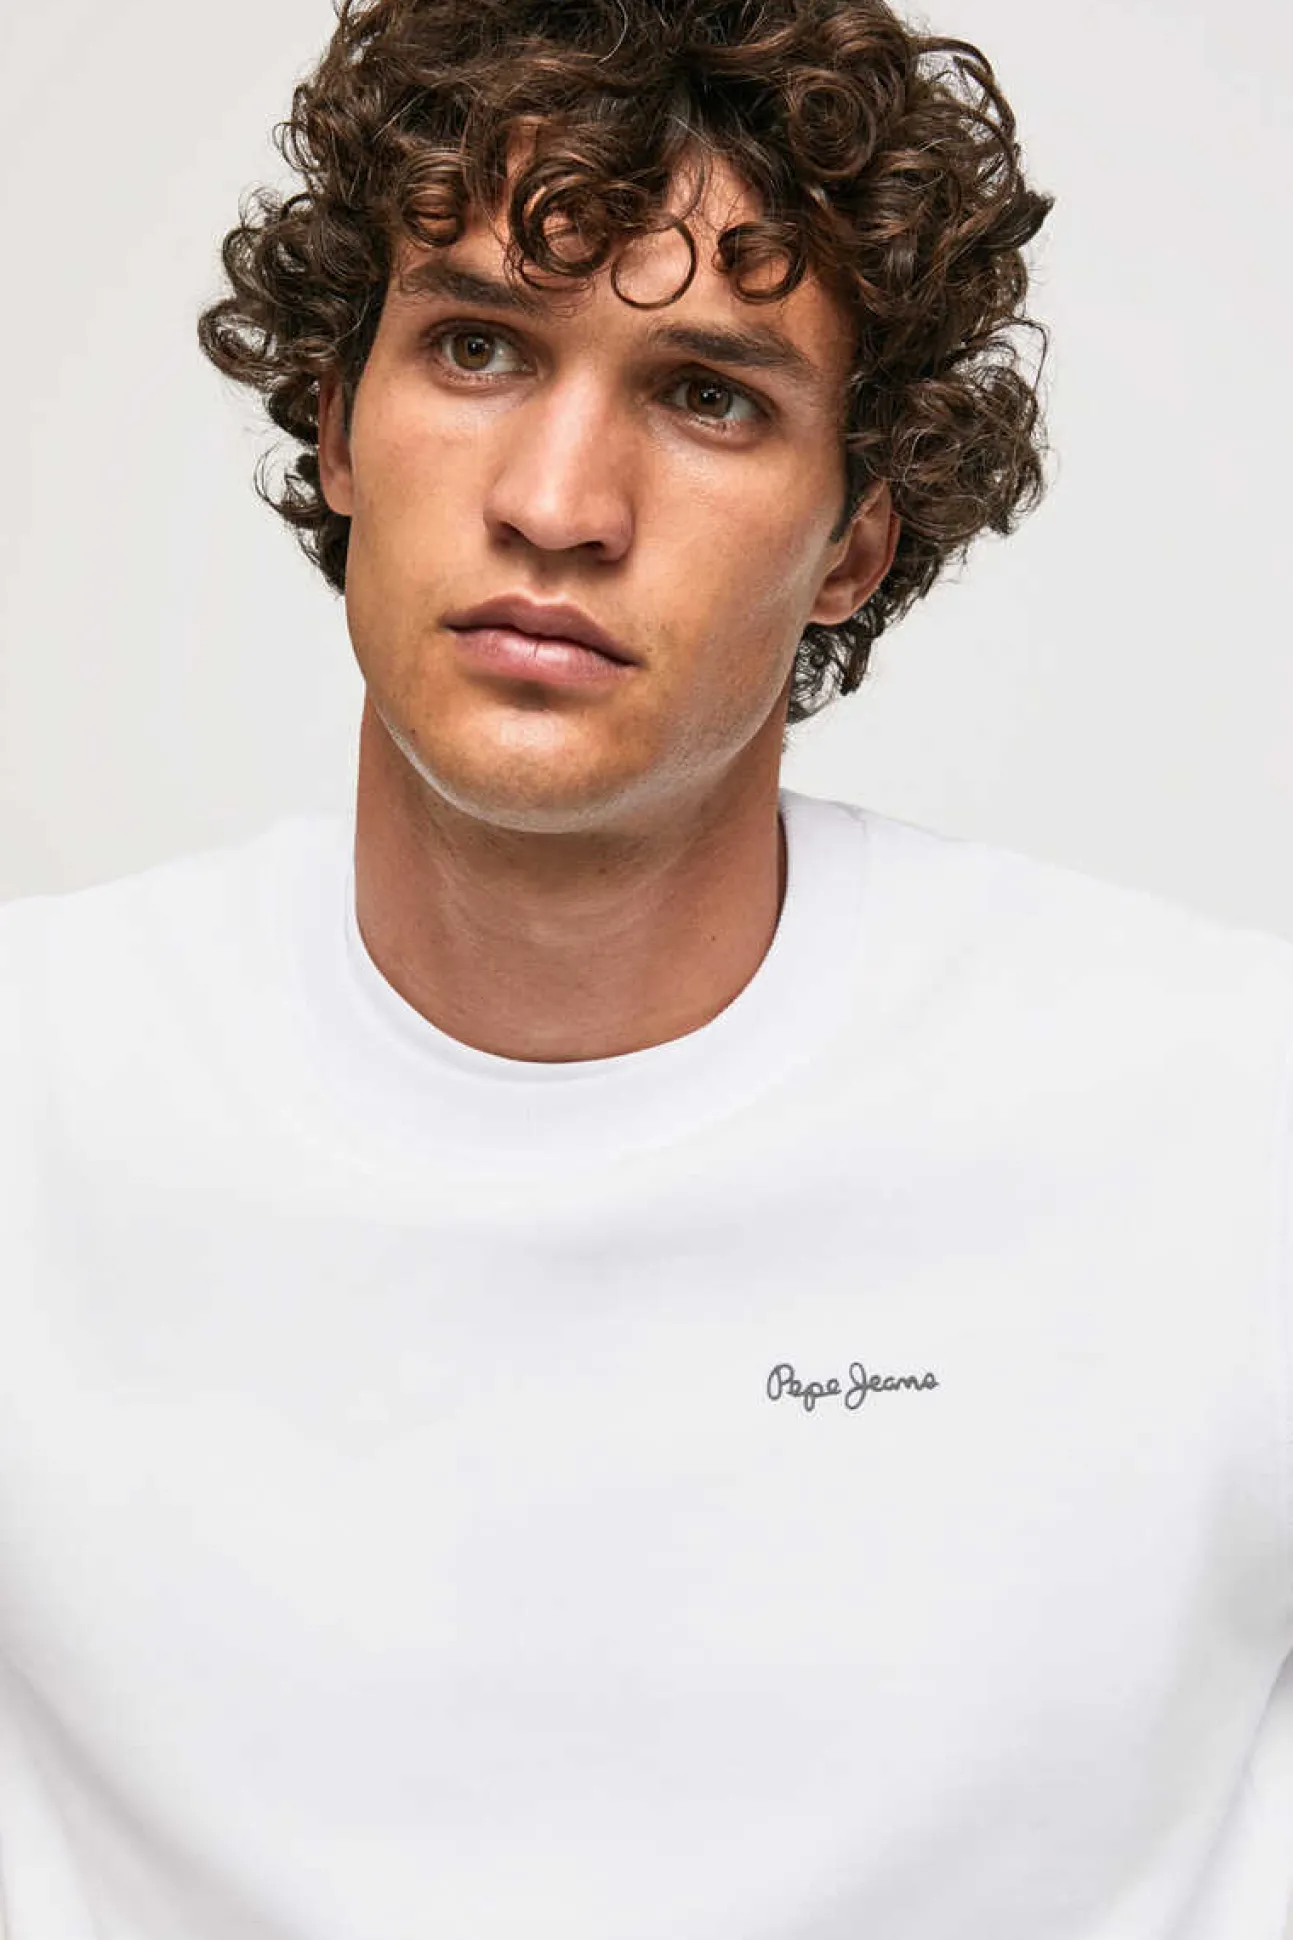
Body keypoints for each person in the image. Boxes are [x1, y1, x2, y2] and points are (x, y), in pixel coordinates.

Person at [1, 0, 1290, 1934]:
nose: (557, 502)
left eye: (709, 396)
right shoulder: (37, 1093)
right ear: (338, 424)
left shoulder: (1226, 1129)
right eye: (478, 346)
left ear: (856, 540)